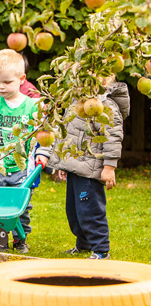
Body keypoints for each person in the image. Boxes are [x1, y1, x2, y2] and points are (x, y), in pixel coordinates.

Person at [0, 49, 50, 254]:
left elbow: (45, 132)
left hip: (24, 169)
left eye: (7, 82)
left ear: (21, 79)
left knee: (20, 207)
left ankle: (20, 239)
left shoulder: (33, 106)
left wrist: (44, 152)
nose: (1, 87)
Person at [50, 77, 129, 260]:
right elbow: (68, 133)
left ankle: (101, 250)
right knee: (74, 211)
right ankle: (83, 244)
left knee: (90, 211)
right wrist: (64, 163)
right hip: (76, 167)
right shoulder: (78, 102)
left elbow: (113, 138)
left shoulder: (104, 106)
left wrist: (109, 167)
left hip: (91, 169)